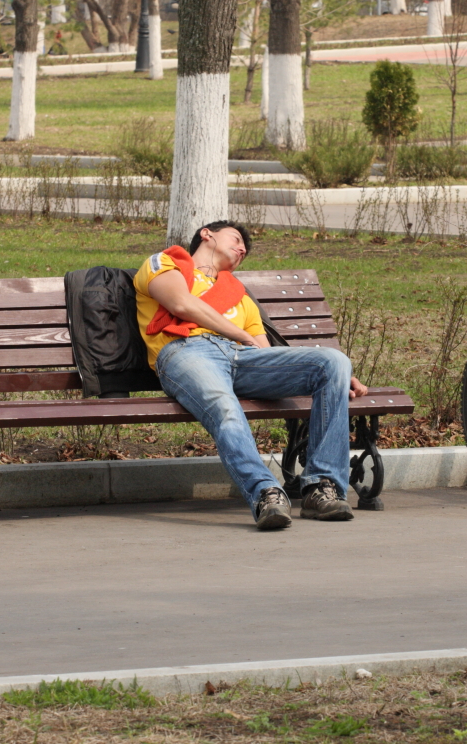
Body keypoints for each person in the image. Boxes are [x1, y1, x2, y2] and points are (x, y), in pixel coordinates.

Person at [133, 221, 369, 531]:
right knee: (224, 407)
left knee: (333, 362)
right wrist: (238, 333)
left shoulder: (238, 295)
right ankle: (265, 493)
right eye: (237, 239)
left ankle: (320, 489)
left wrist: (334, 377)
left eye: (246, 248)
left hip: (242, 357)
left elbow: (264, 350)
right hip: (185, 352)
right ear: (207, 234)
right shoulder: (167, 262)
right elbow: (180, 303)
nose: (243, 248)